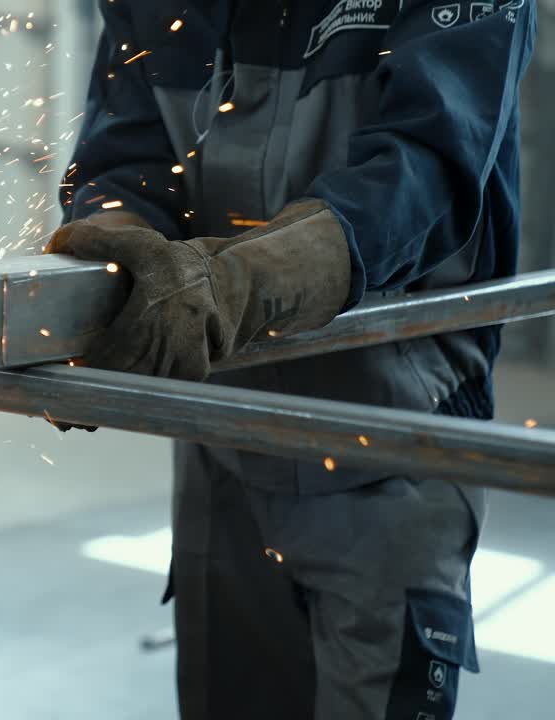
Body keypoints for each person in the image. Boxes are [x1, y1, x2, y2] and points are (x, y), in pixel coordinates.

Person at [52, 1, 533, 718]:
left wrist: (242, 283)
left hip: (393, 443)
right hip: (223, 441)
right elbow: (125, 166)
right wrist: (110, 268)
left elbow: (425, 168)